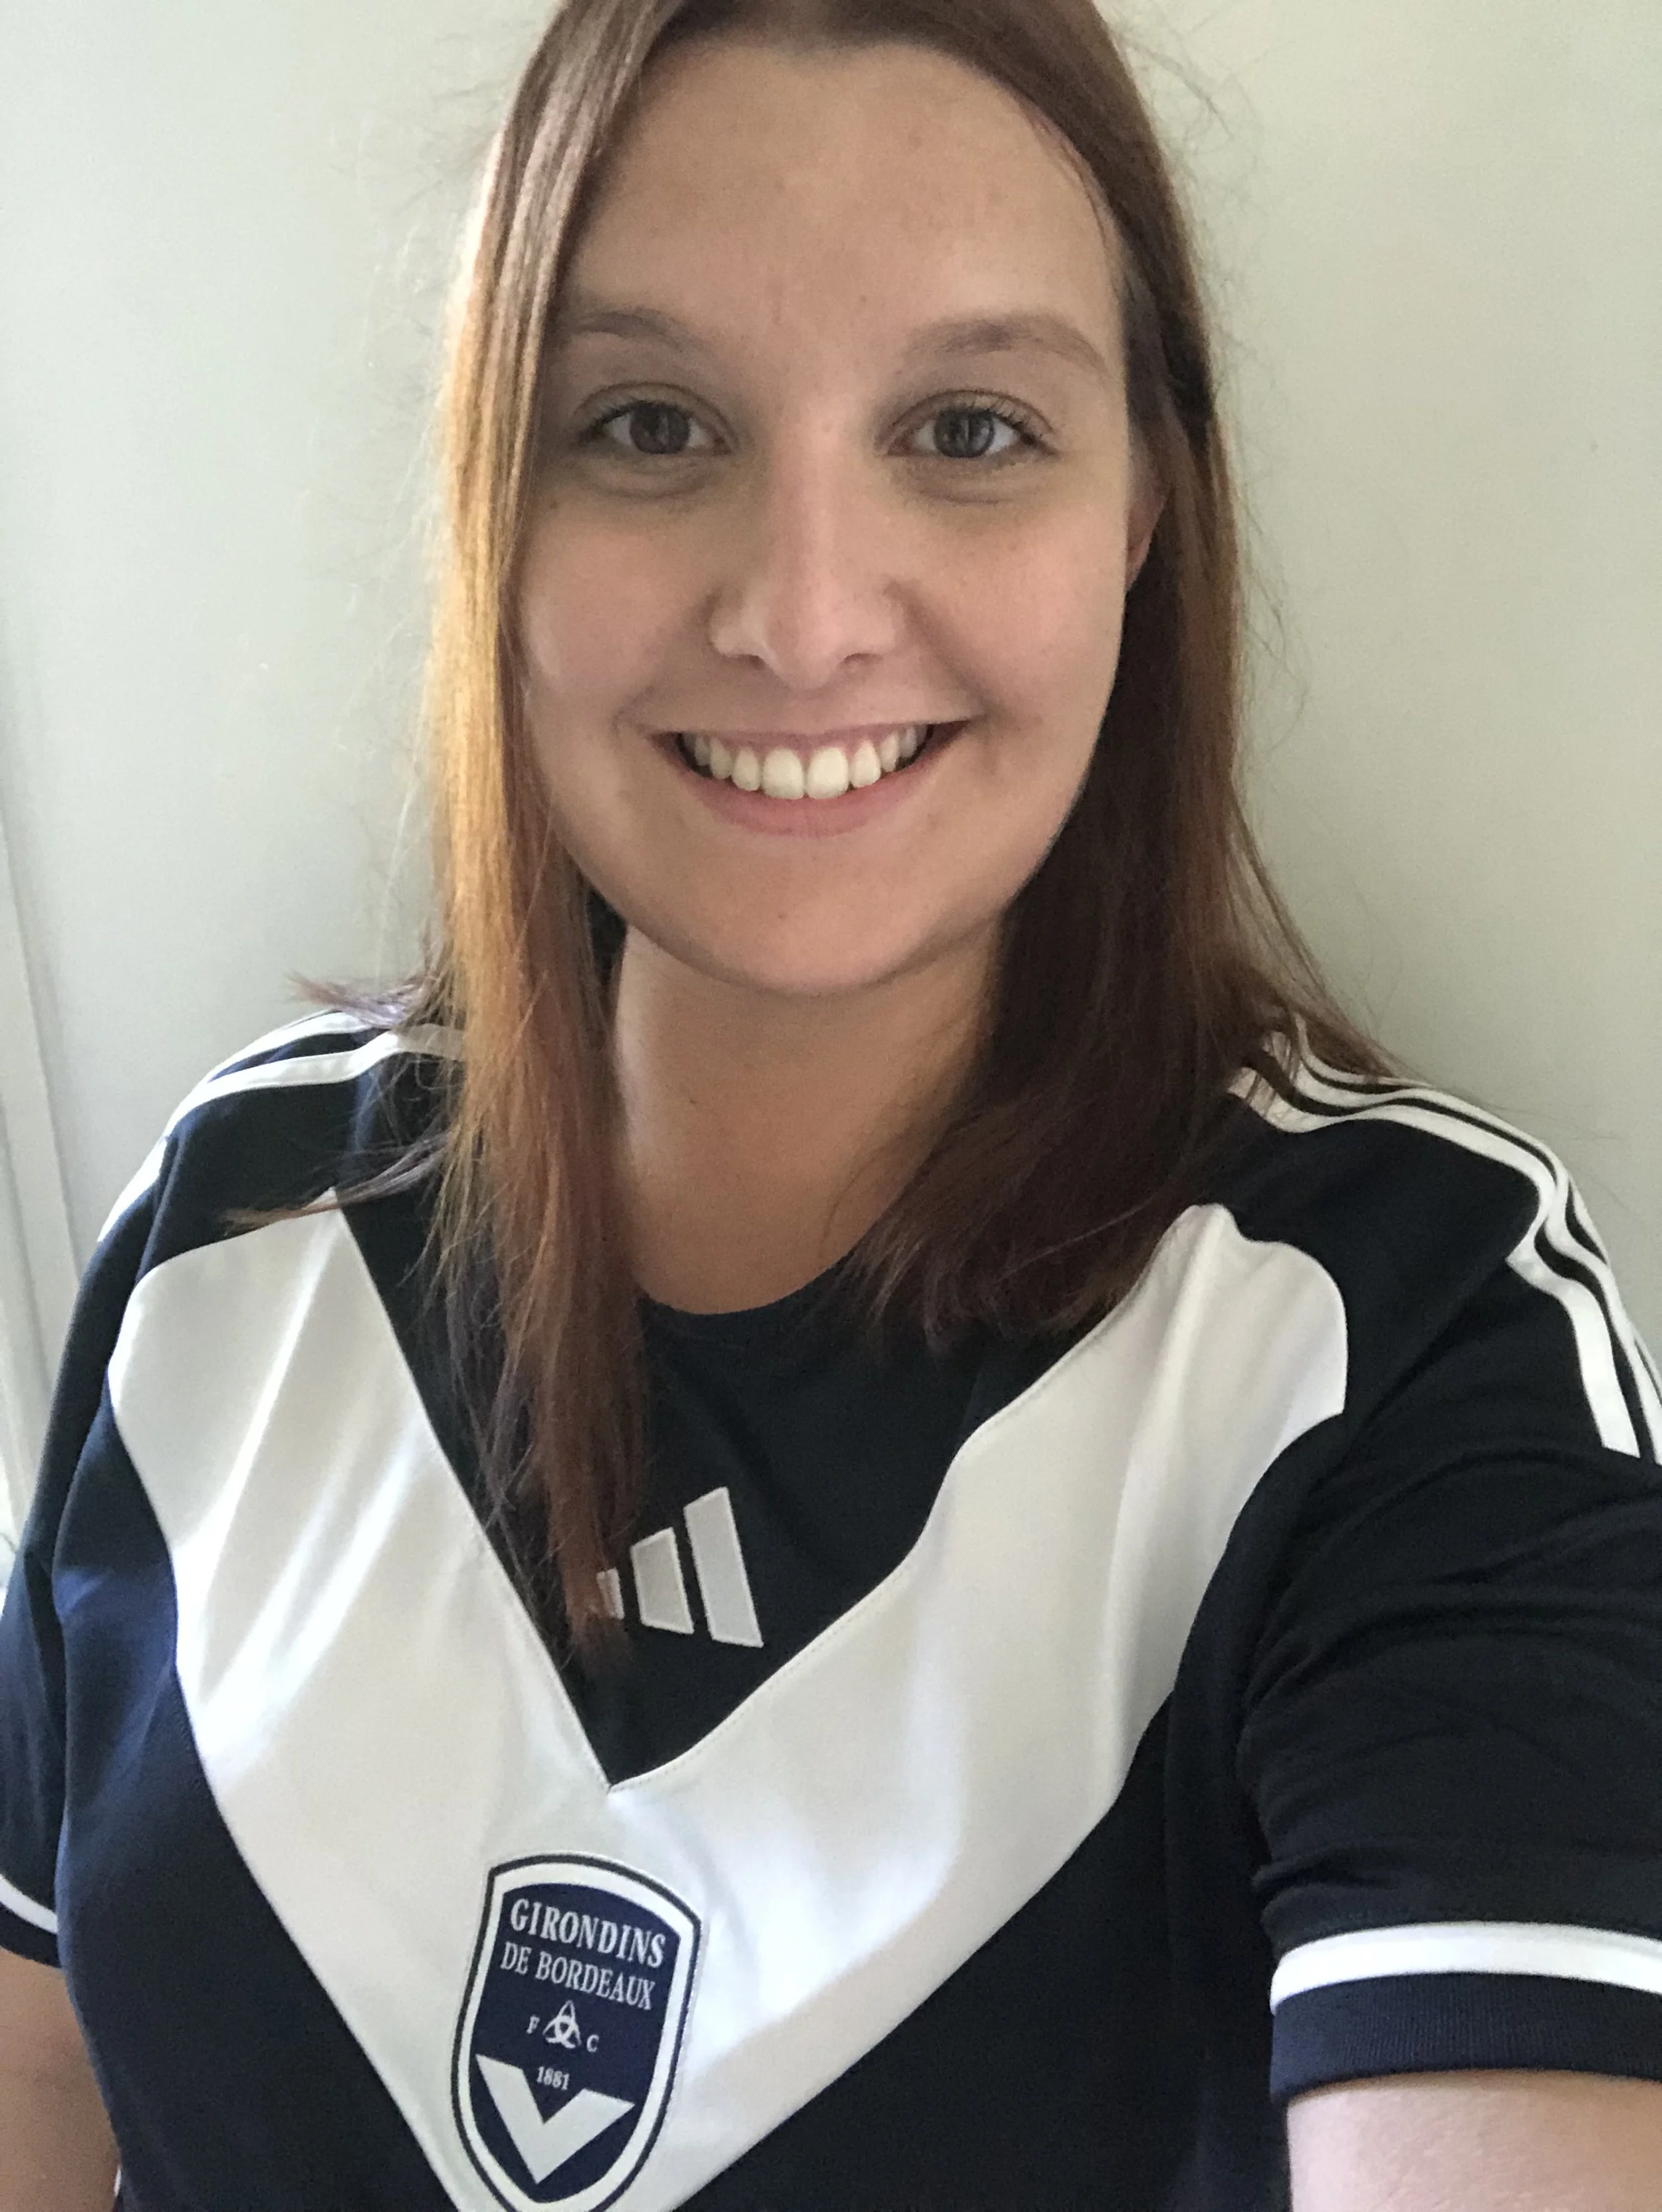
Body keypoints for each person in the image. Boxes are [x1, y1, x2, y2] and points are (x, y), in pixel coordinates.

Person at [3, 0, 1661, 2205]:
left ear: (1144, 510)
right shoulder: (231, 1226)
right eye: (648, 424)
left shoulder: (1408, 1338)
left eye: (968, 429)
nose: (799, 618)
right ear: (495, 504)